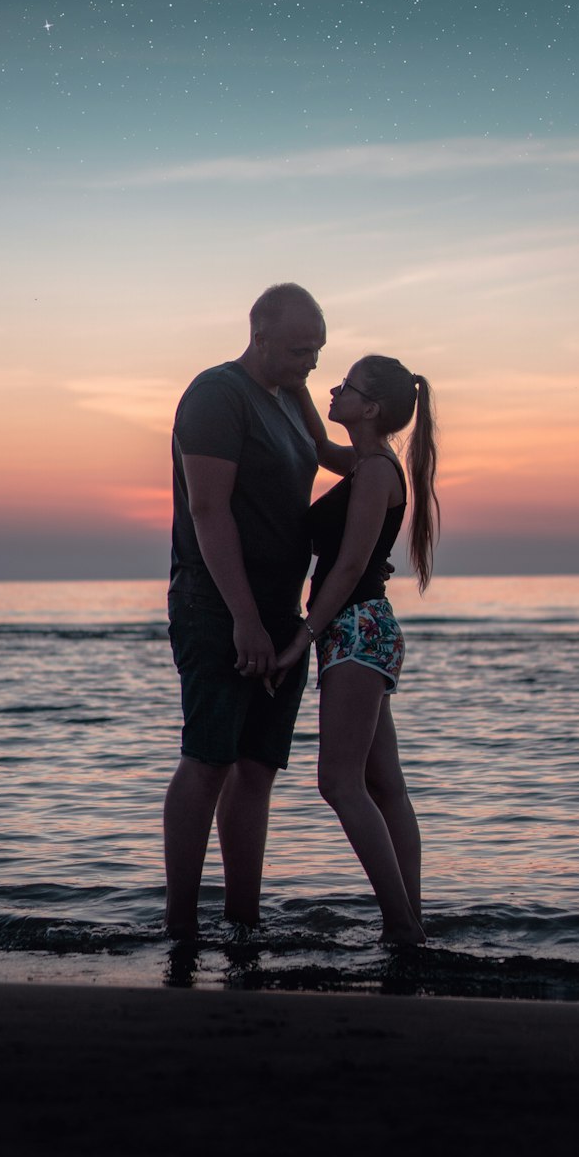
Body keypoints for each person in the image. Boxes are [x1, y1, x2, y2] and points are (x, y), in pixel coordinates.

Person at [163, 283, 327, 938]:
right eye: (298, 349)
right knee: (210, 759)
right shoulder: (217, 395)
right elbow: (207, 509)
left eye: (318, 348)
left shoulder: (293, 395)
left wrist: (384, 432)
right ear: (259, 336)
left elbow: (336, 458)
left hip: (281, 612)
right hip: (218, 608)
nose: (311, 360)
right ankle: (180, 927)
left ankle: (243, 922)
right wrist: (245, 618)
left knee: (257, 766)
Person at [274, 356, 439, 946]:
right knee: (384, 785)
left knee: (340, 784)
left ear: (370, 408)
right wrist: (291, 384)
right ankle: (410, 922)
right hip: (366, 630)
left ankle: (401, 926)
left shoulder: (374, 473)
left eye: (348, 386)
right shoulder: (367, 462)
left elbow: (347, 566)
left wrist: (305, 634)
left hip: (355, 629)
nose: (335, 389)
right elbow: (319, 446)